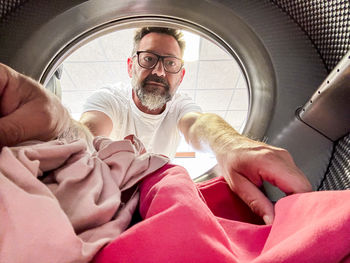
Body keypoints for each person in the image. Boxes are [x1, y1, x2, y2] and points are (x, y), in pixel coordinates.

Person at [0, 27, 311, 225]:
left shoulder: (180, 105)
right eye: (149, 59)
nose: (159, 71)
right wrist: (63, 129)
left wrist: (230, 145)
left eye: (170, 64)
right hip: (109, 191)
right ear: (131, 65)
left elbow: (198, 124)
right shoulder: (110, 98)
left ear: (181, 75)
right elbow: (90, 129)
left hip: (152, 194)